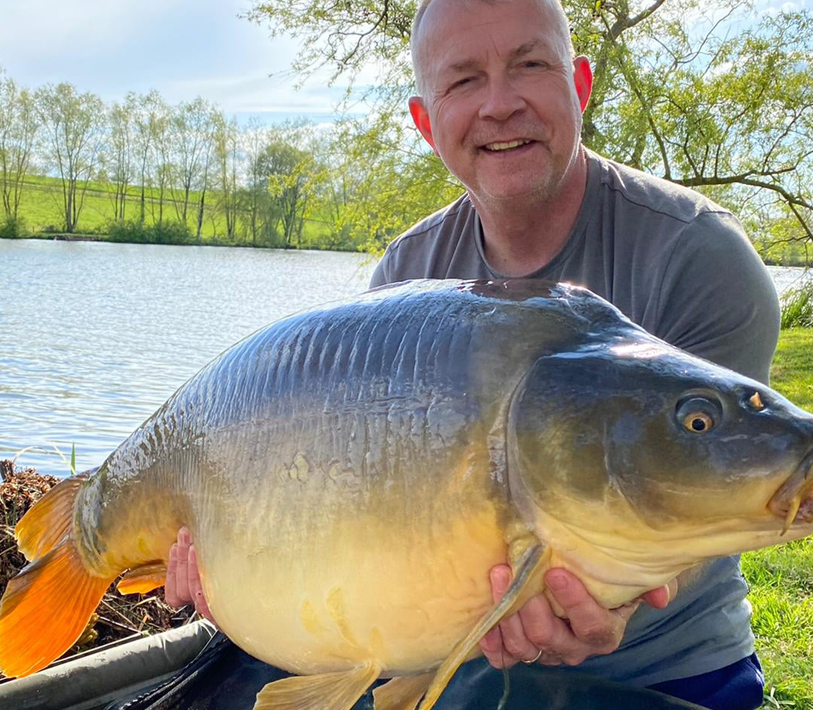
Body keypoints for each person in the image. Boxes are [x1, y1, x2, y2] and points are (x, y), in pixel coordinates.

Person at [167, 0, 780, 707]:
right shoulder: (407, 275)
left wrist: (617, 604)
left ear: (578, 87)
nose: (499, 104)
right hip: (450, 659)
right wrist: (237, 575)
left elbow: (722, 504)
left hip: (666, 670)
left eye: (529, 65)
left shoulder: (697, 255)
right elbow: (361, 502)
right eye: (462, 81)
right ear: (427, 124)